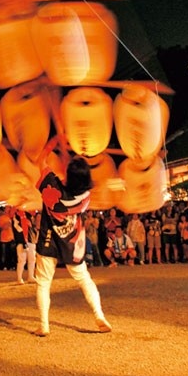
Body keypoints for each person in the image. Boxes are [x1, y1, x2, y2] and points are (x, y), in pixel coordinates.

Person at [34, 141, 112, 337]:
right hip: (72, 241)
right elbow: (73, 180)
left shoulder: (52, 189)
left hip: (49, 239)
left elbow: (40, 160)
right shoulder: (85, 197)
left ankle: (44, 325)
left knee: (44, 282)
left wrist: (55, 142)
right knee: (84, 279)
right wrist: (64, 151)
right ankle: (99, 315)